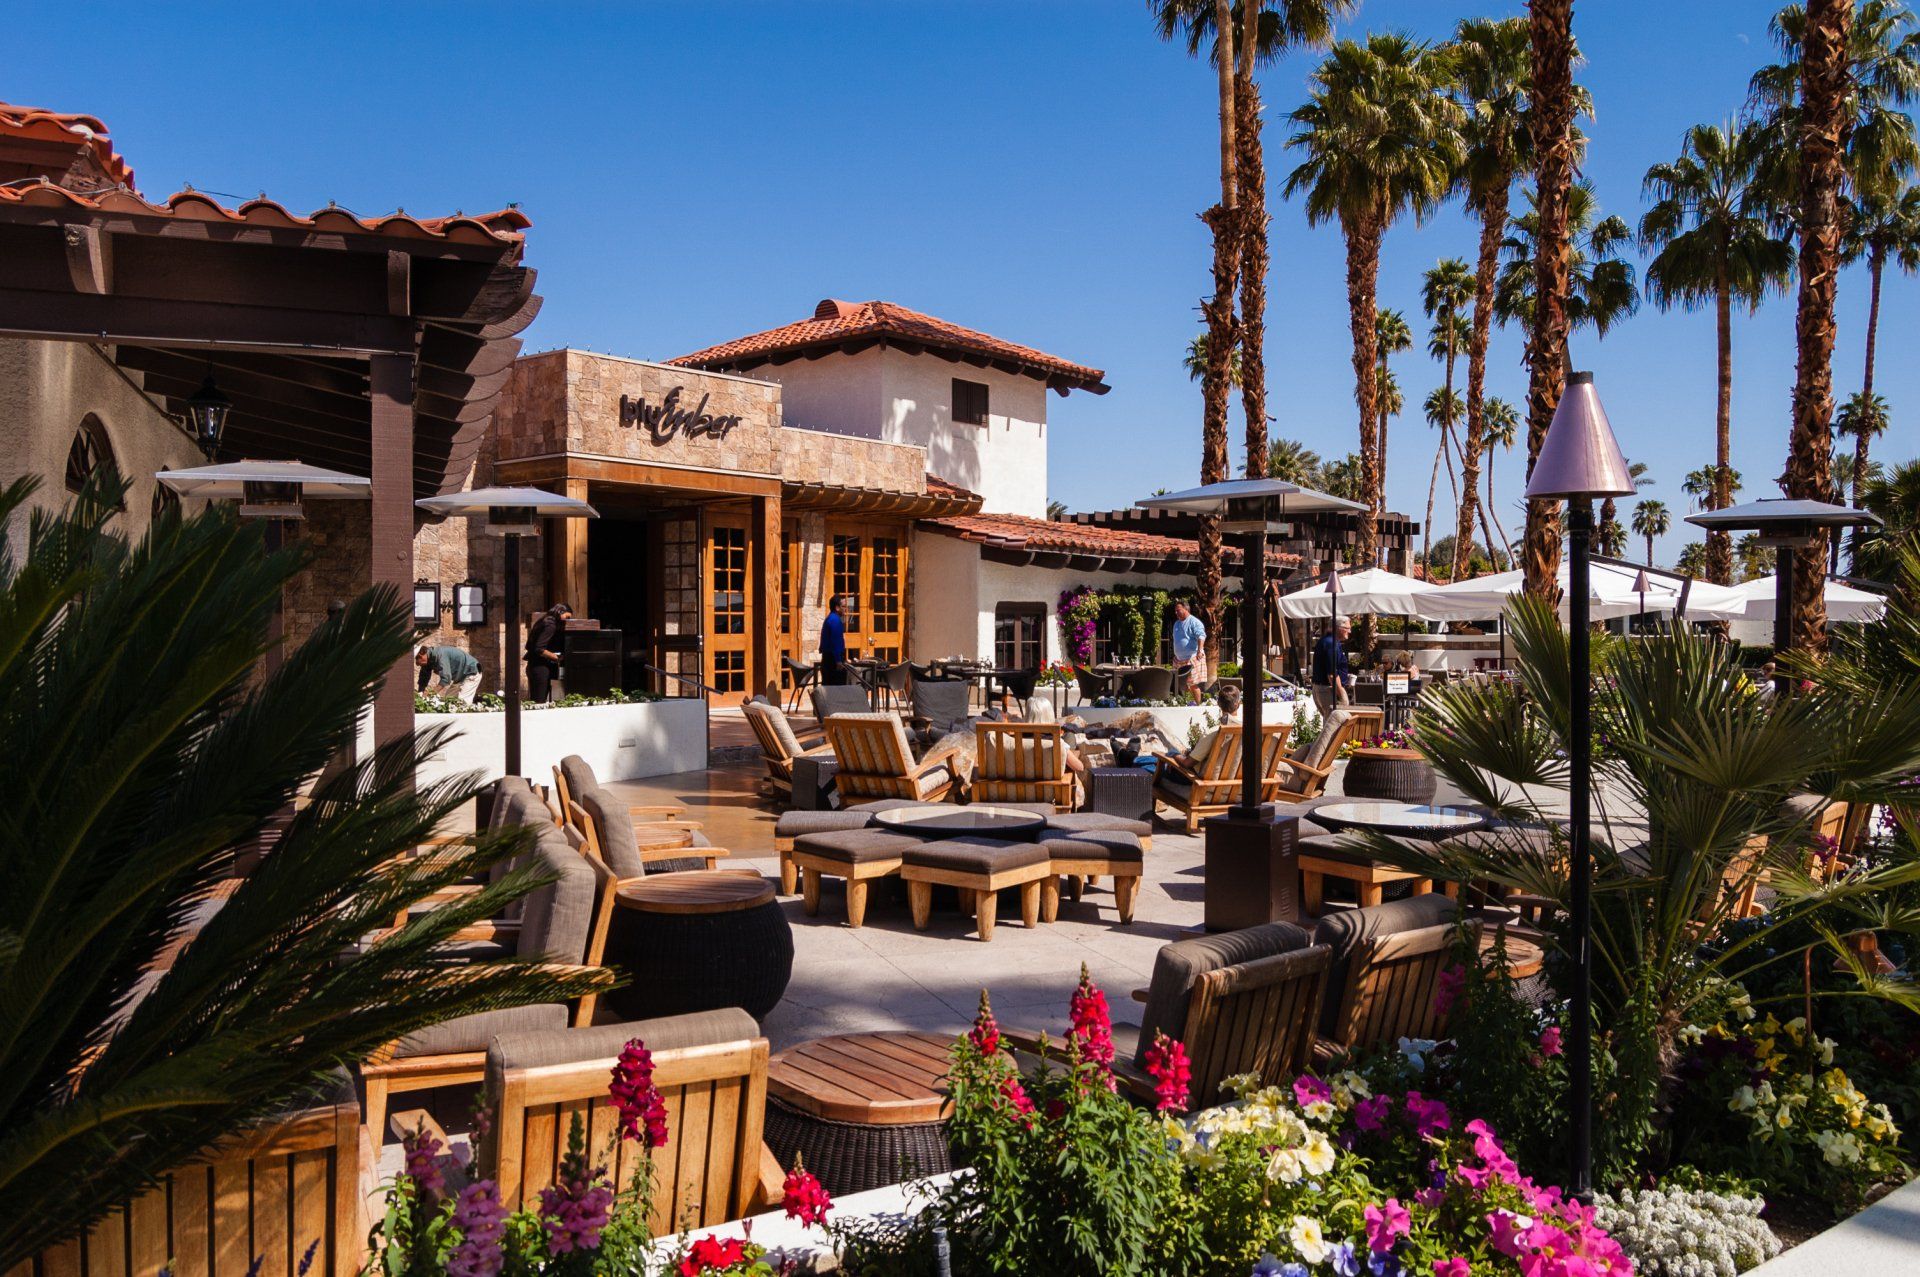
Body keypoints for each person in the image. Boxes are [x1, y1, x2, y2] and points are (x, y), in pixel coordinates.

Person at [524, 601, 571, 704]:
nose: (567, 621)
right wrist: (556, 657)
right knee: (539, 702)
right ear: (560, 611)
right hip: (541, 667)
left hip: (535, 666)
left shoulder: (543, 620)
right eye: (567, 617)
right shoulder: (550, 624)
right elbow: (539, 648)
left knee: (536, 701)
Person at [1312, 617, 1353, 718]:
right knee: (1336, 726)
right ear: (1339, 628)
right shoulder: (1331, 643)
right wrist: (1342, 695)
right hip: (1328, 690)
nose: (1350, 631)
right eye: (1347, 628)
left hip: (1322, 688)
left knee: (1330, 724)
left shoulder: (1328, 641)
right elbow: (1332, 673)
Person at [1170, 600, 1208, 703]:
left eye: (1178, 610)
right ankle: (1187, 704)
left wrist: (1200, 650)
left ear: (1186, 609)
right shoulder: (1176, 624)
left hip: (1192, 657)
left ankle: (1198, 706)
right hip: (1179, 659)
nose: (1176, 613)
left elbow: (1201, 636)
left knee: (1192, 684)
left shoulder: (1194, 622)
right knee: (1181, 684)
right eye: (1175, 611)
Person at [417, 643, 483, 703]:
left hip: (471, 672)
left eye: (417, 662)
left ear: (420, 656)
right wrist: (420, 694)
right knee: (449, 700)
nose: (417, 664)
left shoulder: (439, 654)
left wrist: (430, 694)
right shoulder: (427, 660)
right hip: (460, 678)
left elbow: (446, 679)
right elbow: (423, 678)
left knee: (462, 702)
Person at [819, 593, 850, 686]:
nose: (845, 608)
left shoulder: (829, 618)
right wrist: (838, 661)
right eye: (843, 606)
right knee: (837, 691)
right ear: (837, 608)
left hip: (828, 658)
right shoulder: (835, 621)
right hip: (832, 661)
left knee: (829, 688)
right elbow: (835, 642)